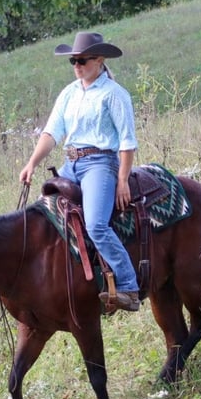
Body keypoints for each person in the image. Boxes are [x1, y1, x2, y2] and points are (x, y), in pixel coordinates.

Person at [19, 32, 140, 312]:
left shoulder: (114, 94)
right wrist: (32, 163)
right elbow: (52, 133)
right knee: (44, 215)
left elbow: (127, 141)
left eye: (82, 60)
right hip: (70, 163)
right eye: (73, 60)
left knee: (97, 224)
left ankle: (128, 285)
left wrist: (122, 179)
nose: (76, 65)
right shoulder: (69, 92)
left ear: (99, 60)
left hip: (100, 163)